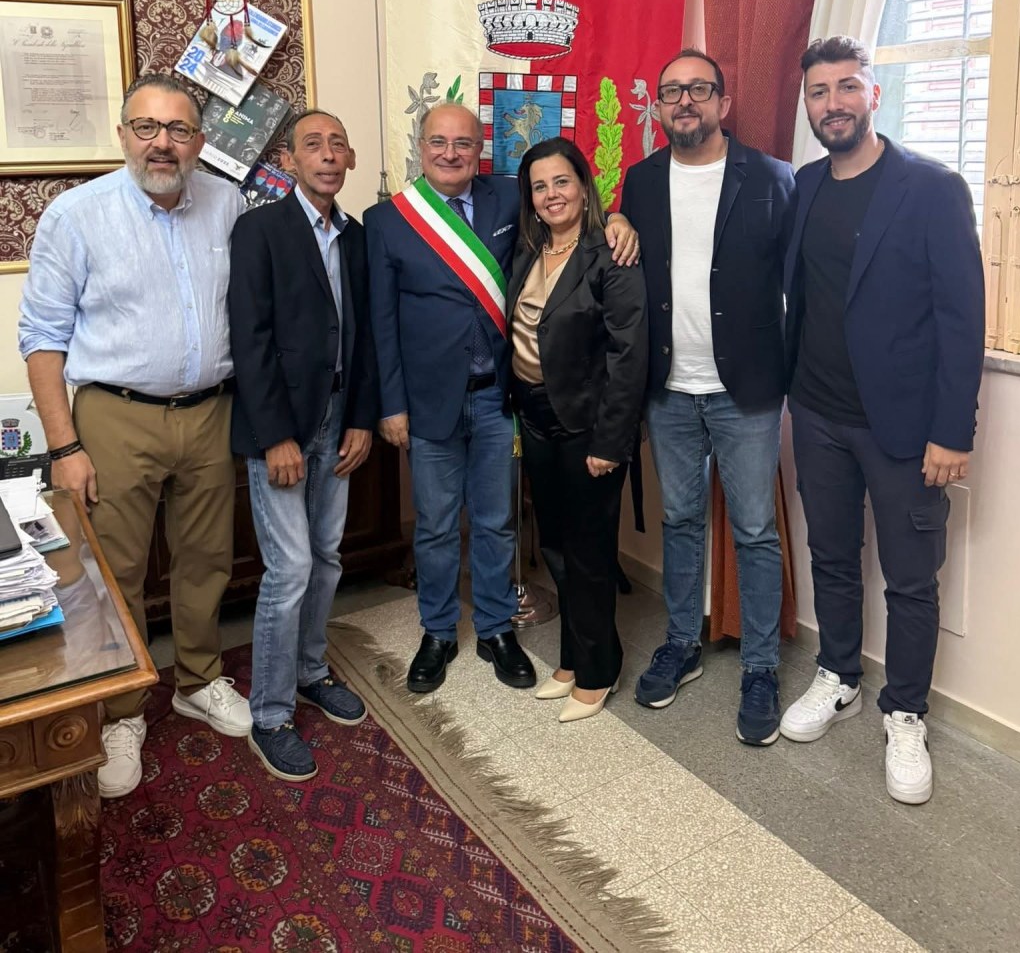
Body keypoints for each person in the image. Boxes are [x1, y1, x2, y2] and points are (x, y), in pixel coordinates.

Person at [18, 73, 251, 800]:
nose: (162, 143)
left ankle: (198, 680)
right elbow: (42, 338)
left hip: (210, 411)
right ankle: (121, 712)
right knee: (112, 571)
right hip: (114, 416)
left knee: (207, 558)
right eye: (146, 127)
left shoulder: (229, 203)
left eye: (178, 129)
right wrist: (64, 447)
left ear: (199, 141)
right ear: (122, 135)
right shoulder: (76, 215)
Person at [364, 102, 638, 694]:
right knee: (436, 525)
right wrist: (391, 405)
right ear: (421, 146)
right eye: (439, 142)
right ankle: (438, 631)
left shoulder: (506, 199)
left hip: (497, 399)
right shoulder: (387, 220)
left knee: (495, 522)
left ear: (479, 149)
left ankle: (494, 627)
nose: (451, 153)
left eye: (463, 143)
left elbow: (569, 216)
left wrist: (617, 219)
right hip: (429, 401)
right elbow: (380, 322)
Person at [780, 35, 985, 804]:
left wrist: (954, 431)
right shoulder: (805, 185)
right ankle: (839, 675)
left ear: (874, 94)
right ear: (807, 104)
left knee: (910, 578)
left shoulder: (932, 188)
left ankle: (905, 711)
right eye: (818, 91)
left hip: (902, 428)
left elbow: (961, 318)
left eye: (846, 87)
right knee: (831, 555)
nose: (832, 102)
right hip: (818, 413)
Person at [621, 49, 796, 745]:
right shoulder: (639, 180)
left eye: (698, 89)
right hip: (669, 389)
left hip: (746, 390)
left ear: (723, 102)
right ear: (659, 108)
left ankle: (760, 667)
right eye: (671, 92)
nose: (684, 101)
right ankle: (681, 644)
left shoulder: (772, 177)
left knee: (754, 529)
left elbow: (799, 283)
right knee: (682, 520)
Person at [229, 109, 378, 782]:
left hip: (339, 420)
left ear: (350, 159)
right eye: (312, 145)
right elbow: (250, 339)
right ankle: (270, 712)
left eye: (337, 144)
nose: (327, 154)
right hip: (283, 430)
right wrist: (276, 437)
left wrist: (361, 419)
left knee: (326, 557)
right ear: (288, 160)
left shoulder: (357, 236)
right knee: (288, 570)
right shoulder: (259, 230)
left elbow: (365, 336)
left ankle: (312, 671)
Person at [509, 138, 647, 722]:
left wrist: (611, 441)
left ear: (584, 186)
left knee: (589, 552)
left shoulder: (610, 253)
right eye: (539, 186)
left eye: (561, 181)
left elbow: (629, 356)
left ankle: (599, 671)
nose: (551, 195)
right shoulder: (528, 250)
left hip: (588, 426)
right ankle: (572, 657)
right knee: (557, 548)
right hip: (535, 418)